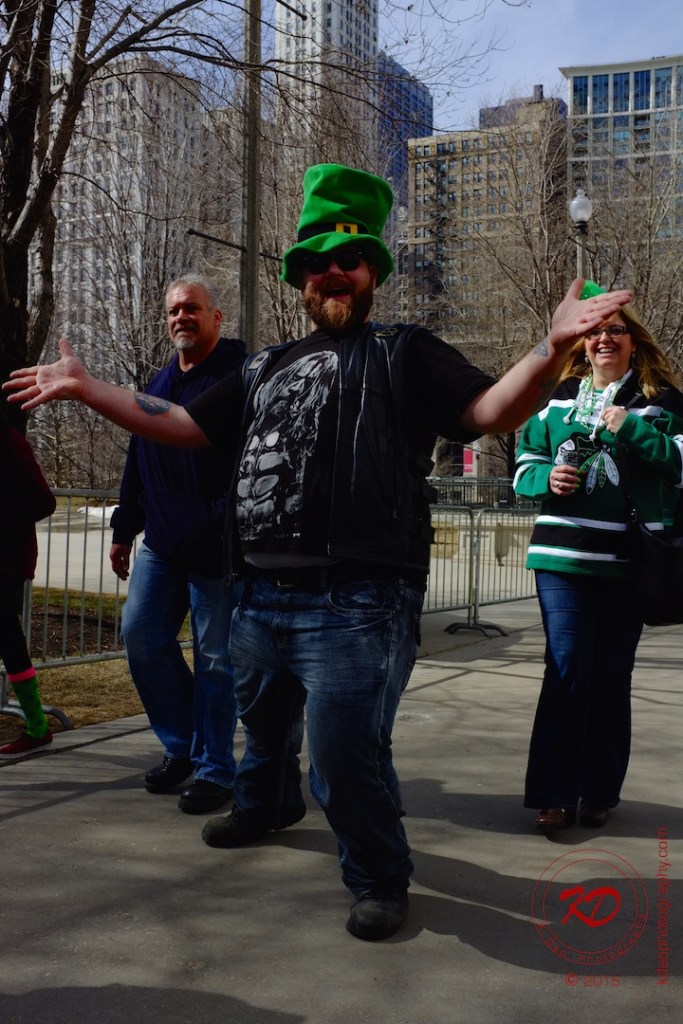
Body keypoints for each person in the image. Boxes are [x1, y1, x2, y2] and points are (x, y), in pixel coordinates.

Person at [3, 164, 634, 940]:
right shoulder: (262, 366)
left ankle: (378, 874)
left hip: (358, 604)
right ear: (299, 277)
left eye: (351, 259)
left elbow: (486, 411)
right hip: (257, 596)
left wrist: (548, 346)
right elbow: (182, 422)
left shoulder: (403, 351)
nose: (333, 271)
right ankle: (265, 804)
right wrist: (88, 387)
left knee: (343, 759)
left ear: (372, 273)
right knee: (263, 731)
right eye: (317, 263)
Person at [513, 284, 683, 832]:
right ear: (582, 344)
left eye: (615, 330)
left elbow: (678, 465)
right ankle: (554, 795)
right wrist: (548, 477)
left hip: (630, 562)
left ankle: (599, 790)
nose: (604, 338)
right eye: (594, 332)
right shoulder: (557, 398)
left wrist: (631, 426)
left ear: (634, 340)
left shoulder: (662, 402)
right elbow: (523, 466)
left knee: (611, 676)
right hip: (561, 558)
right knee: (566, 668)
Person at [109, 276, 246, 814]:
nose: (180, 318)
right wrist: (125, 528)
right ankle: (182, 746)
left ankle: (216, 768)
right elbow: (138, 456)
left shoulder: (239, 377)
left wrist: (219, 522)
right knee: (141, 636)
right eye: (173, 311)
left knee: (215, 661)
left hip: (217, 547)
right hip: (161, 545)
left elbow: (248, 465)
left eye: (191, 308)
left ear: (216, 317)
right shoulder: (159, 381)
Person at [0, 400, 57, 759]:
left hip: (8, 561)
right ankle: (37, 727)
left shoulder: (10, 443)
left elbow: (44, 502)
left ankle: (37, 728)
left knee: (7, 637)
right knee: (8, 638)